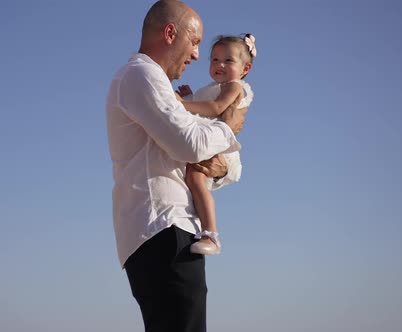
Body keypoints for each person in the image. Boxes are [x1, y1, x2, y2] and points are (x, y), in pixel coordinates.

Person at [106, 1, 248, 331]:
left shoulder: (154, 84)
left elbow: (200, 153)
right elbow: (190, 143)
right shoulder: (141, 74)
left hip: (165, 233)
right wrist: (227, 127)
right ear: (171, 33)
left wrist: (219, 160)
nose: (198, 55)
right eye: (195, 42)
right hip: (164, 231)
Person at [175, 34, 257, 255]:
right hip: (212, 141)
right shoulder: (213, 87)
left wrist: (183, 104)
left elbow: (214, 109)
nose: (219, 65)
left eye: (228, 61)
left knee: (195, 178)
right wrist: (191, 98)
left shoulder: (234, 87)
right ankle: (204, 229)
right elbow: (205, 108)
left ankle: (211, 233)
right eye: (214, 60)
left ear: (245, 68)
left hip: (221, 147)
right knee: (192, 180)